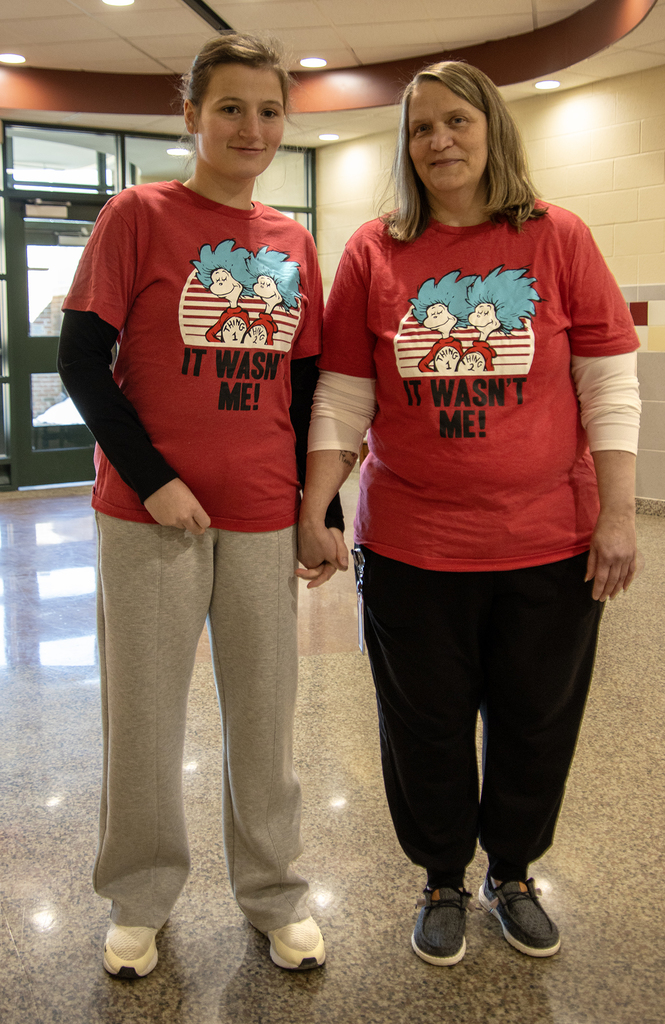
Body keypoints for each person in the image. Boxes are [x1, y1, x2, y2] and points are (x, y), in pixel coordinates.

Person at [297, 60, 641, 966]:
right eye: (420, 129)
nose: (439, 141)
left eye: (456, 122)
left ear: (492, 129)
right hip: (412, 547)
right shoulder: (375, 249)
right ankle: (443, 874)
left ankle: (514, 872)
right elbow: (340, 394)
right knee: (425, 725)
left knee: (536, 719)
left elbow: (607, 386)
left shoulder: (556, 237)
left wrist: (617, 514)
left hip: (547, 542)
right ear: (405, 146)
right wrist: (315, 504)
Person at [58, 33, 342, 978]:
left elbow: (304, 390)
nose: (251, 127)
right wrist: (154, 477)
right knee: (143, 717)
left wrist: (321, 511)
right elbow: (79, 363)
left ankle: (272, 893)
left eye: (268, 111)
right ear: (190, 115)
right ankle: (139, 898)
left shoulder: (292, 238)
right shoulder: (136, 214)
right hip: (148, 518)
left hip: (262, 511)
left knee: (266, 717)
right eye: (229, 107)